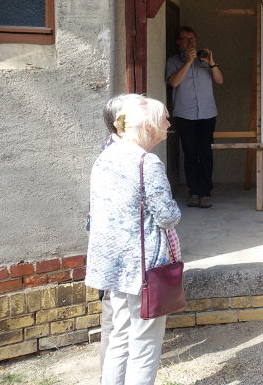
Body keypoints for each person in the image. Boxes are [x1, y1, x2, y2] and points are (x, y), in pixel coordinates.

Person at [86, 95, 182, 385]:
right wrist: (176, 208)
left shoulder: (106, 156)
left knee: (119, 338)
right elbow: (167, 216)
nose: (168, 124)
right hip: (143, 269)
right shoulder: (146, 162)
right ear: (148, 126)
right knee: (145, 345)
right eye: (163, 119)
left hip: (113, 266)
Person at [93, 93, 143, 373]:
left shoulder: (120, 149)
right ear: (122, 122)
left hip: (117, 246)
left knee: (119, 317)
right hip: (116, 248)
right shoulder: (120, 154)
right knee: (115, 317)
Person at [166, 26, 223, 208]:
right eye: (186, 39)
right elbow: (174, 82)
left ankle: (205, 193)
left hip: (207, 113)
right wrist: (188, 62)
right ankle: (194, 192)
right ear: (178, 42)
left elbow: (220, 80)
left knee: (206, 153)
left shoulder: (204, 60)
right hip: (185, 114)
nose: (191, 43)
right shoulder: (173, 61)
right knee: (190, 153)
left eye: (193, 39)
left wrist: (212, 62)